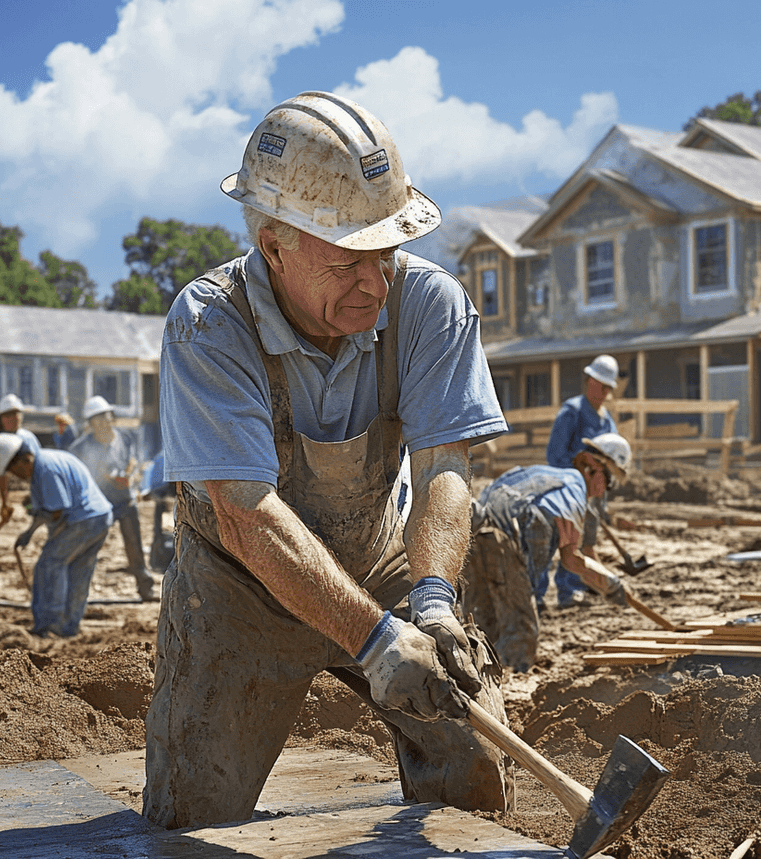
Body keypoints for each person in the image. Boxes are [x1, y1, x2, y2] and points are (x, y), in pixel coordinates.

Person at [143, 92, 514, 830]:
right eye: (348, 261)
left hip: (380, 559)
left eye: (387, 252)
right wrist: (375, 642)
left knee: (474, 759)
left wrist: (431, 601)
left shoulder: (429, 304)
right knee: (194, 815)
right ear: (274, 246)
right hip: (241, 586)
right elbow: (245, 515)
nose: (376, 283)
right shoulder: (209, 325)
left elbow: (442, 466)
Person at [465, 432, 632, 672]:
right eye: (611, 481)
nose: (606, 490)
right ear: (593, 467)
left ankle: (475, 673)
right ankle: (512, 673)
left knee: (479, 618)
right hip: (509, 536)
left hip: (474, 531)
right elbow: (571, 559)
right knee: (521, 629)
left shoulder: (542, 474)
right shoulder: (574, 493)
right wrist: (612, 585)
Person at [0, 433, 113, 637]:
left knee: (50, 565)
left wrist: (32, 527)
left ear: (25, 459)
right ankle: (69, 627)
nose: (15, 475)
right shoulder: (46, 461)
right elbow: (53, 508)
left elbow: (56, 511)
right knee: (78, 571)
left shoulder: (45, 469)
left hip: (83, 520)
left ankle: (49, 626)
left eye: (13, 469)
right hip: (100, 517)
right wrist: (29, 532)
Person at [545, 354, 619, 608]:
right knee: (571, 542)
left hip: (594, 492)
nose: (605, 392)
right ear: (589, 381)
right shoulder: (572, 412)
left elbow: (611, 461)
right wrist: (580, 473)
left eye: (609, 388)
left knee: (588, 541)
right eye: (601, 386)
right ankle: (569, 590)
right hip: (572, 491)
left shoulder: (607, 420)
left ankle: (587, 582)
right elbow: (555, 455)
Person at [69, 396, 157, 600]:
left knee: (134, 545)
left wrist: (129, 476)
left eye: (106, 417)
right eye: (97, 420)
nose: (103, 423)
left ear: (112, 418)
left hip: (124, 500)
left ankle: (145, 588)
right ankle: (78, 590)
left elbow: (134, 462)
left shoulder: (124, 438)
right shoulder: (81, 447)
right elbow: (76, 476)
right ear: (90, 424)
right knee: (89, 546)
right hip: (98, 504)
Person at [0, 394, 42, 518]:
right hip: (4, 491)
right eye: (9, 416)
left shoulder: (28, 439)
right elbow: (0, 473)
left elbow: (39, 469)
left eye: (17, 415)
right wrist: (4, 503)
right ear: (1, 419)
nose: (15, 419)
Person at [138, 451, 175, 572]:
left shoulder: (162, 455)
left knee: (164, 531)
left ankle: (159, 561)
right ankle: (163, 561)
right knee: (167, 531)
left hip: (165, 496)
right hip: (168, 497)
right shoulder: (166, 456)